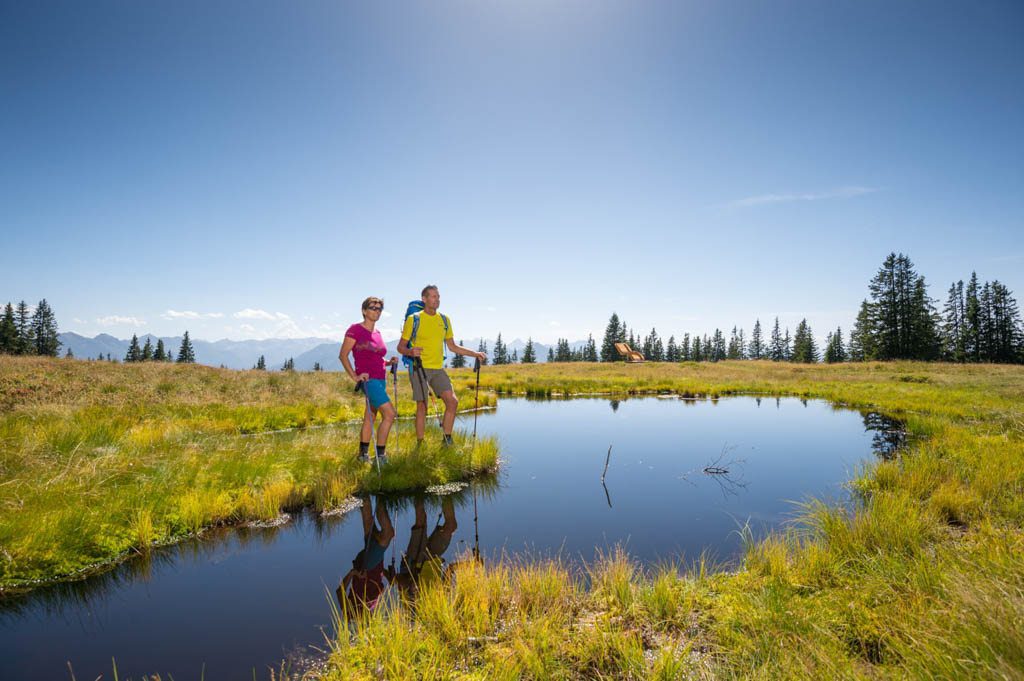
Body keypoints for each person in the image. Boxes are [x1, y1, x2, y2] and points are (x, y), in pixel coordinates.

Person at [397, 285, 485, 446]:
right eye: (433, 296)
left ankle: (447, 439)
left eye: (438, 296)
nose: (437, 299)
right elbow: (400, 347)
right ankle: (420, 443)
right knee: (422, 406)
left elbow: (453, 347)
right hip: (419, 368)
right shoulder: (414, 319)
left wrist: (475, 354)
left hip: (438, 369)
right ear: (424, 299)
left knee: (452, 402)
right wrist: (410, 352)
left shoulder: (444, 320)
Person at [339, 296, 398, 463]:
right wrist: (355, 377)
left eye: (379, 309)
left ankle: (362, 455)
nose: (376, 311)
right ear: (364, 310)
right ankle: (381, 456)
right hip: (368, 381)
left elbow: (376, 359)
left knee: (370, 417)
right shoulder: (355, 330)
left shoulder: (378, 333)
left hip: (380, 380)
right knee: (390, 414)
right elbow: (343, 356)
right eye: (373, 308)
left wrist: (388, 362)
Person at [337, 494, 394, 615]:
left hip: (366, 566)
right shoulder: (371, 610)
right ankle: (365, 489)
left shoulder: (350, 614)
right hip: (376, 564)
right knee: (369, 524)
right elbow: (379, 583)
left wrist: (353, 573)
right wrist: (389, 576)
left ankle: (381, 496)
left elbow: (339, 591)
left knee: (388, 534)